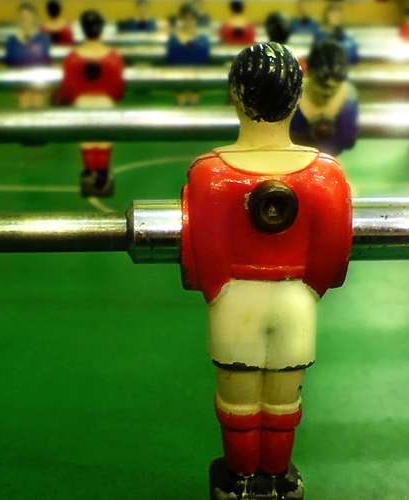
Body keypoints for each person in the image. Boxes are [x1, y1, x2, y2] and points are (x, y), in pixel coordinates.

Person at [181, 42, 352, 499]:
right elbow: (333, 259)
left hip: (233, 301)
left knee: (236, 400)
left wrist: (220, 293)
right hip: (298, 300)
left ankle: (239, 479)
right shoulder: (327, 176)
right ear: (297, 98)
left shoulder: (208, 175)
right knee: (283, 400)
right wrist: (306, 291)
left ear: (235, 94)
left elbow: (203, 259)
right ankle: (276, 476)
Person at [54, 10, 124, 197]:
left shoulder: (72, 58)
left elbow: (68, 88)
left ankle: (90, 173)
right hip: (106, 104)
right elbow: (118, 88)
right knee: (103, 140)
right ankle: (102, 174)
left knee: (87, 141)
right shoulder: (113, 57)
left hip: (81, 105)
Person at [291, 40, 358, 156]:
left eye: (334, 87)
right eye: (322, 84)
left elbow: (348, 141)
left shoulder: (349, 97)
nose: (327, 92)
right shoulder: (293, 93)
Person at [5, 3, 51, 109]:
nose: (25, 19)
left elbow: (46, 60)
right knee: (24, 102)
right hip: (20, 81)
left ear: (35, 18)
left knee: (37, 101)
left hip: (39, 80)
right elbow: (9, 61)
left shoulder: (44, 39)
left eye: (28, 16)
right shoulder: (11, 40)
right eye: (22, 17)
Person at [166, 3, 210, 105]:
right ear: (182, 19)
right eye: (186, 18)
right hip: (178, 76)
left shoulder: (203, 39)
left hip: (196, 76)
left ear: (196, 19)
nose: (189, 21)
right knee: (181, 100)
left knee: (193, 101)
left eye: (191, 18)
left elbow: (204, 59)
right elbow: (171, 59)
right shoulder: (173, 39)